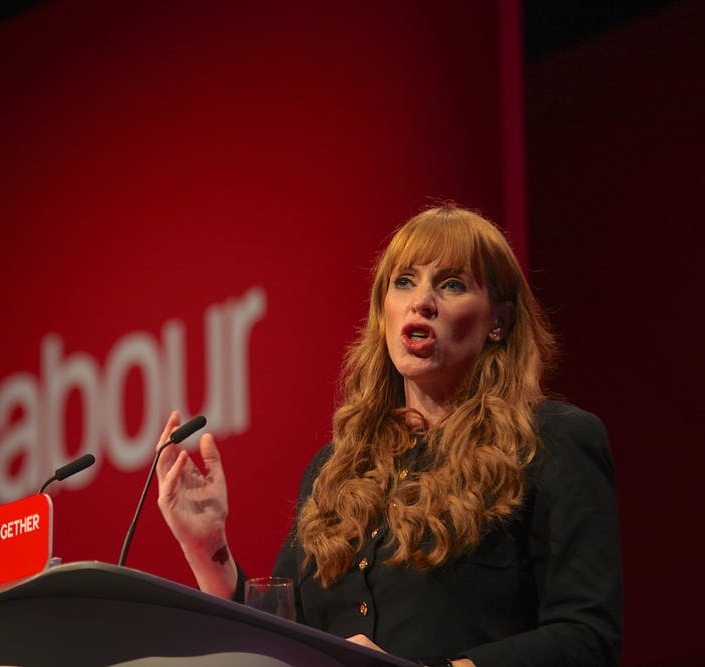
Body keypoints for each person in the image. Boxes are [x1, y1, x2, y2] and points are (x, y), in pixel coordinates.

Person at [154, 204, 622, 667]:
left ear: (498, 320)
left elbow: (586, 639)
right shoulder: (335, 469)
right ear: (383, 314)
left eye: (452, 284)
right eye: (404, 282)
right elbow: (279, 642)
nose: (421, 301)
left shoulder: (553, 441)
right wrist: (208, 547)